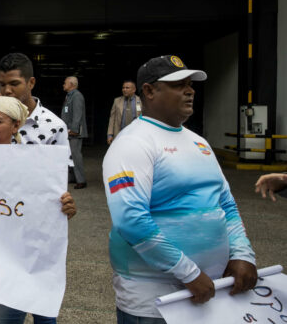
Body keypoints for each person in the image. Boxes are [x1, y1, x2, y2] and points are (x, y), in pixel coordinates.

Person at [103, 55, 257, 323]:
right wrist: (189, 273)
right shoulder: (132, 143)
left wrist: (243, 254)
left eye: (190, 84)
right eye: (178, 84)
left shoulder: (199, 143)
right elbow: (131, 220)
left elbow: (226, 205)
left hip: (209, 292)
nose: (190, 90)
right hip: (155, 303)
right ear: (149, 91)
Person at [0, 96, 76, 324]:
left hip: (12, 265)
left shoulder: (34, 165)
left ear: (16, 126)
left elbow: (49, 207)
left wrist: (64, 207)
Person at [0, 54, 71, 324]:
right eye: (2, 84)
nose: (7, 90)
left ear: (31, 83)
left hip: (41, 236)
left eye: (14, 83)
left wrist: (66, 203)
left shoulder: (54, 127)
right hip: (2, 232)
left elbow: (59, 184)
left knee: (44, 311)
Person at [61, 76, 87, 189]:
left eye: (65, 83)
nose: (63, 85)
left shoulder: (77, 96)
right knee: (69, 155)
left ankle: (81, 180)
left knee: (76, 156)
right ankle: (73, 177)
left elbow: (78, 114)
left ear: (71, 84)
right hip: (68, 131)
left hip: (74, 132)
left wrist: (74, 130)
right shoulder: (69, 95)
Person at [107, 80, 141, 145]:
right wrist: (110, 134)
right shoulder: (117, 101)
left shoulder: (141, 101)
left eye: (127, 88)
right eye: (123, 88)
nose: (124, 90)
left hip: (136, 134)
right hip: (120, 134)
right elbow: (112, 119)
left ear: (134, 90)